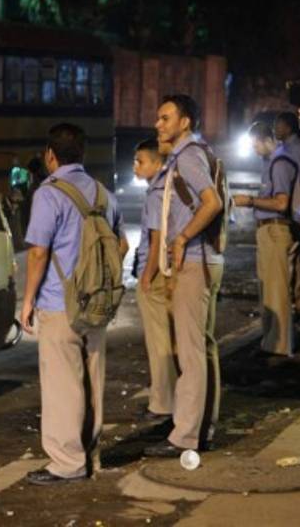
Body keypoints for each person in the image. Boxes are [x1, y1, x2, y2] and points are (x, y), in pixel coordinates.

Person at [21, 123, 128, 485]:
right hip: (97, 304)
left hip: (59, 303)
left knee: (62, 385)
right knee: (91, 380)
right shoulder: (103, 194)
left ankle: (66, 463)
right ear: (82, 154)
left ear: (50, 156)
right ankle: (89, 455)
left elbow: (38, 252)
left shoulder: (48, 194)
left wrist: (27, 300)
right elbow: (121, 246)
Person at [143, 94, 224, 458]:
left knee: (190, 354)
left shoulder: (188, 157)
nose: (158, 124)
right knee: (203, 349)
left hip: (195, 260)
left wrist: (183, 237)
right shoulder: (196, 153)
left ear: (185, 122)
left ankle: (185, 435)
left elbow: (212, 202)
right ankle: (202, 426)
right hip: (205, 258)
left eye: (165, 118)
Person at [234, 121, 299, 356]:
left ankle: (280, 345)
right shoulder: (271, 162)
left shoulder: (280, 164)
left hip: (275, 229)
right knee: (268, 290)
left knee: (276, 291)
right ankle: (272, 342)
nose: (253, 149)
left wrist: (249, 201)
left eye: (255, 144)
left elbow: (281, 203)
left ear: (266, 140)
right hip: (268, 230)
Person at [133, 138, 175, 420]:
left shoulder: (156, 193)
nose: (136, 167)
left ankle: (162, 403)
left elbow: (155, 236)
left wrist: (147, 275)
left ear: (156, 163)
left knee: (159, 342)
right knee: (169, 340)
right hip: (169, 269)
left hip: (156, 272)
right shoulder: (169, 186)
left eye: (141, 161)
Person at [274, 111, 300, 318]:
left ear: (288, 127)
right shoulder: (285, 148)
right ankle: (294, 303)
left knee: (296, 262)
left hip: (296, 211)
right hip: (292, 210)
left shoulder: (298, 149)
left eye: (278, 125)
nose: (275, 129)